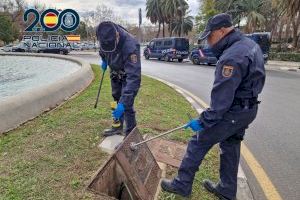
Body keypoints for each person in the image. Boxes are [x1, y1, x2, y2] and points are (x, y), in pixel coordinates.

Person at [161, 13, 265, 200]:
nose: (209, 42)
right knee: (230, 145)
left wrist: (203, 121)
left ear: (223, 31)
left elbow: (220, 104)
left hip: (233, 112)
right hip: (249, 109)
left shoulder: (231, 57)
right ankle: (226, 190)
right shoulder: (250, 45)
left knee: (198, 141)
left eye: (210, 36)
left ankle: (182, 184)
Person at [96, 21, 141, 137]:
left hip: (127, 75)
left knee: (126, 105)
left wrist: (124, 103)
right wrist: (104, 59)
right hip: (115, 73)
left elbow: (134, 77)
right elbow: (103, 50)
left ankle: (131, 136)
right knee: (115, 100)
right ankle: (117, 127)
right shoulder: (104, 37)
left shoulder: (130, 44)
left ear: (117, 36)